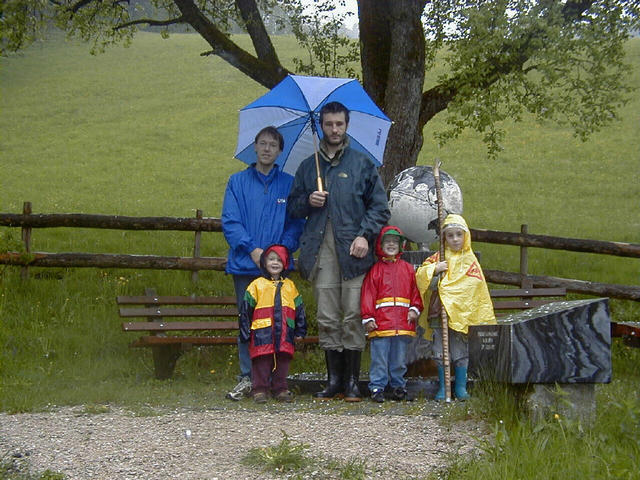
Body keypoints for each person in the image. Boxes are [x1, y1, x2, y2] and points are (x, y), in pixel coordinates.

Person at [287, 101, 390, 402]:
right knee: (329, 316)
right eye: (329, 124)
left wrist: (365, 236)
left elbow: (380, 207)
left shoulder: (362, 164)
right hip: (322, 254)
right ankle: (334, 382)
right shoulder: (309, 167)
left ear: (346, 126)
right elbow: (292, 208)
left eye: (339, 124)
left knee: (354, 315)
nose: (334, 129)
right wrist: (309, 200)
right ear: (321, 125)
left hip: (355, 254)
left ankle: (353, 383)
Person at [222, 126, 304, 401]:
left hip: (278, 270)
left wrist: (280, 252)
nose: (267, 148)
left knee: (278, 325)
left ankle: (275, 380)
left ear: (280, 151)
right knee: (250, 323)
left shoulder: (289, 184)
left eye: (273, 145)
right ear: (254, 147)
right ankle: (249, 377)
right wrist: (253, 250)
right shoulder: (237, 182)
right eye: (262, 143)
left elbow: (296, 223)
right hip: (245, 266)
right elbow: (230, 223)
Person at [415, 214, 496, 401]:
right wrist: (435, 270)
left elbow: (476, 287)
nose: (455, 239)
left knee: (460, 351)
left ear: (465, 236)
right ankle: (444, 388)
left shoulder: (470, 261)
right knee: (440, 351)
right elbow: (422, 278)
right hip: (439, 314)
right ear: (444, 238)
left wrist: (456, 295)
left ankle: (460, 387)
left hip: (462, 316)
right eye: (450, 235)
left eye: (459, 234)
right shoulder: (438, 258)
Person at [361, 226, 423, 403]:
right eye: (387, 241)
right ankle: (377, 387)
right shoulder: (375, 270)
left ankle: (398, 386)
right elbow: (368, 295)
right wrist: (368, 317)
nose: (391, 245)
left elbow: (415, 293)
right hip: (381, 324)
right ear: (380, 245)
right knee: (379, 358)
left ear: (401, 245)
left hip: (403, 323)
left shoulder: (408, 269)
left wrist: (414, 309)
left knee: (399, 359)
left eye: (395, 242)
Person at [239, 245, 307, 403]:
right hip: (262, 332)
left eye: (279, 260)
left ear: (285, 263)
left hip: (285, 332)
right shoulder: (256, 285)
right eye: (271, 259)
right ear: (264, 262)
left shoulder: (290, 286)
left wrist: (300, 330)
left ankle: (280, 389)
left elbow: (299, 310)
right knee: (261, 361)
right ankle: (260, 389)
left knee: (283, 361)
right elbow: (245, 311)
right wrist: (245, 331)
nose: (275, 263)